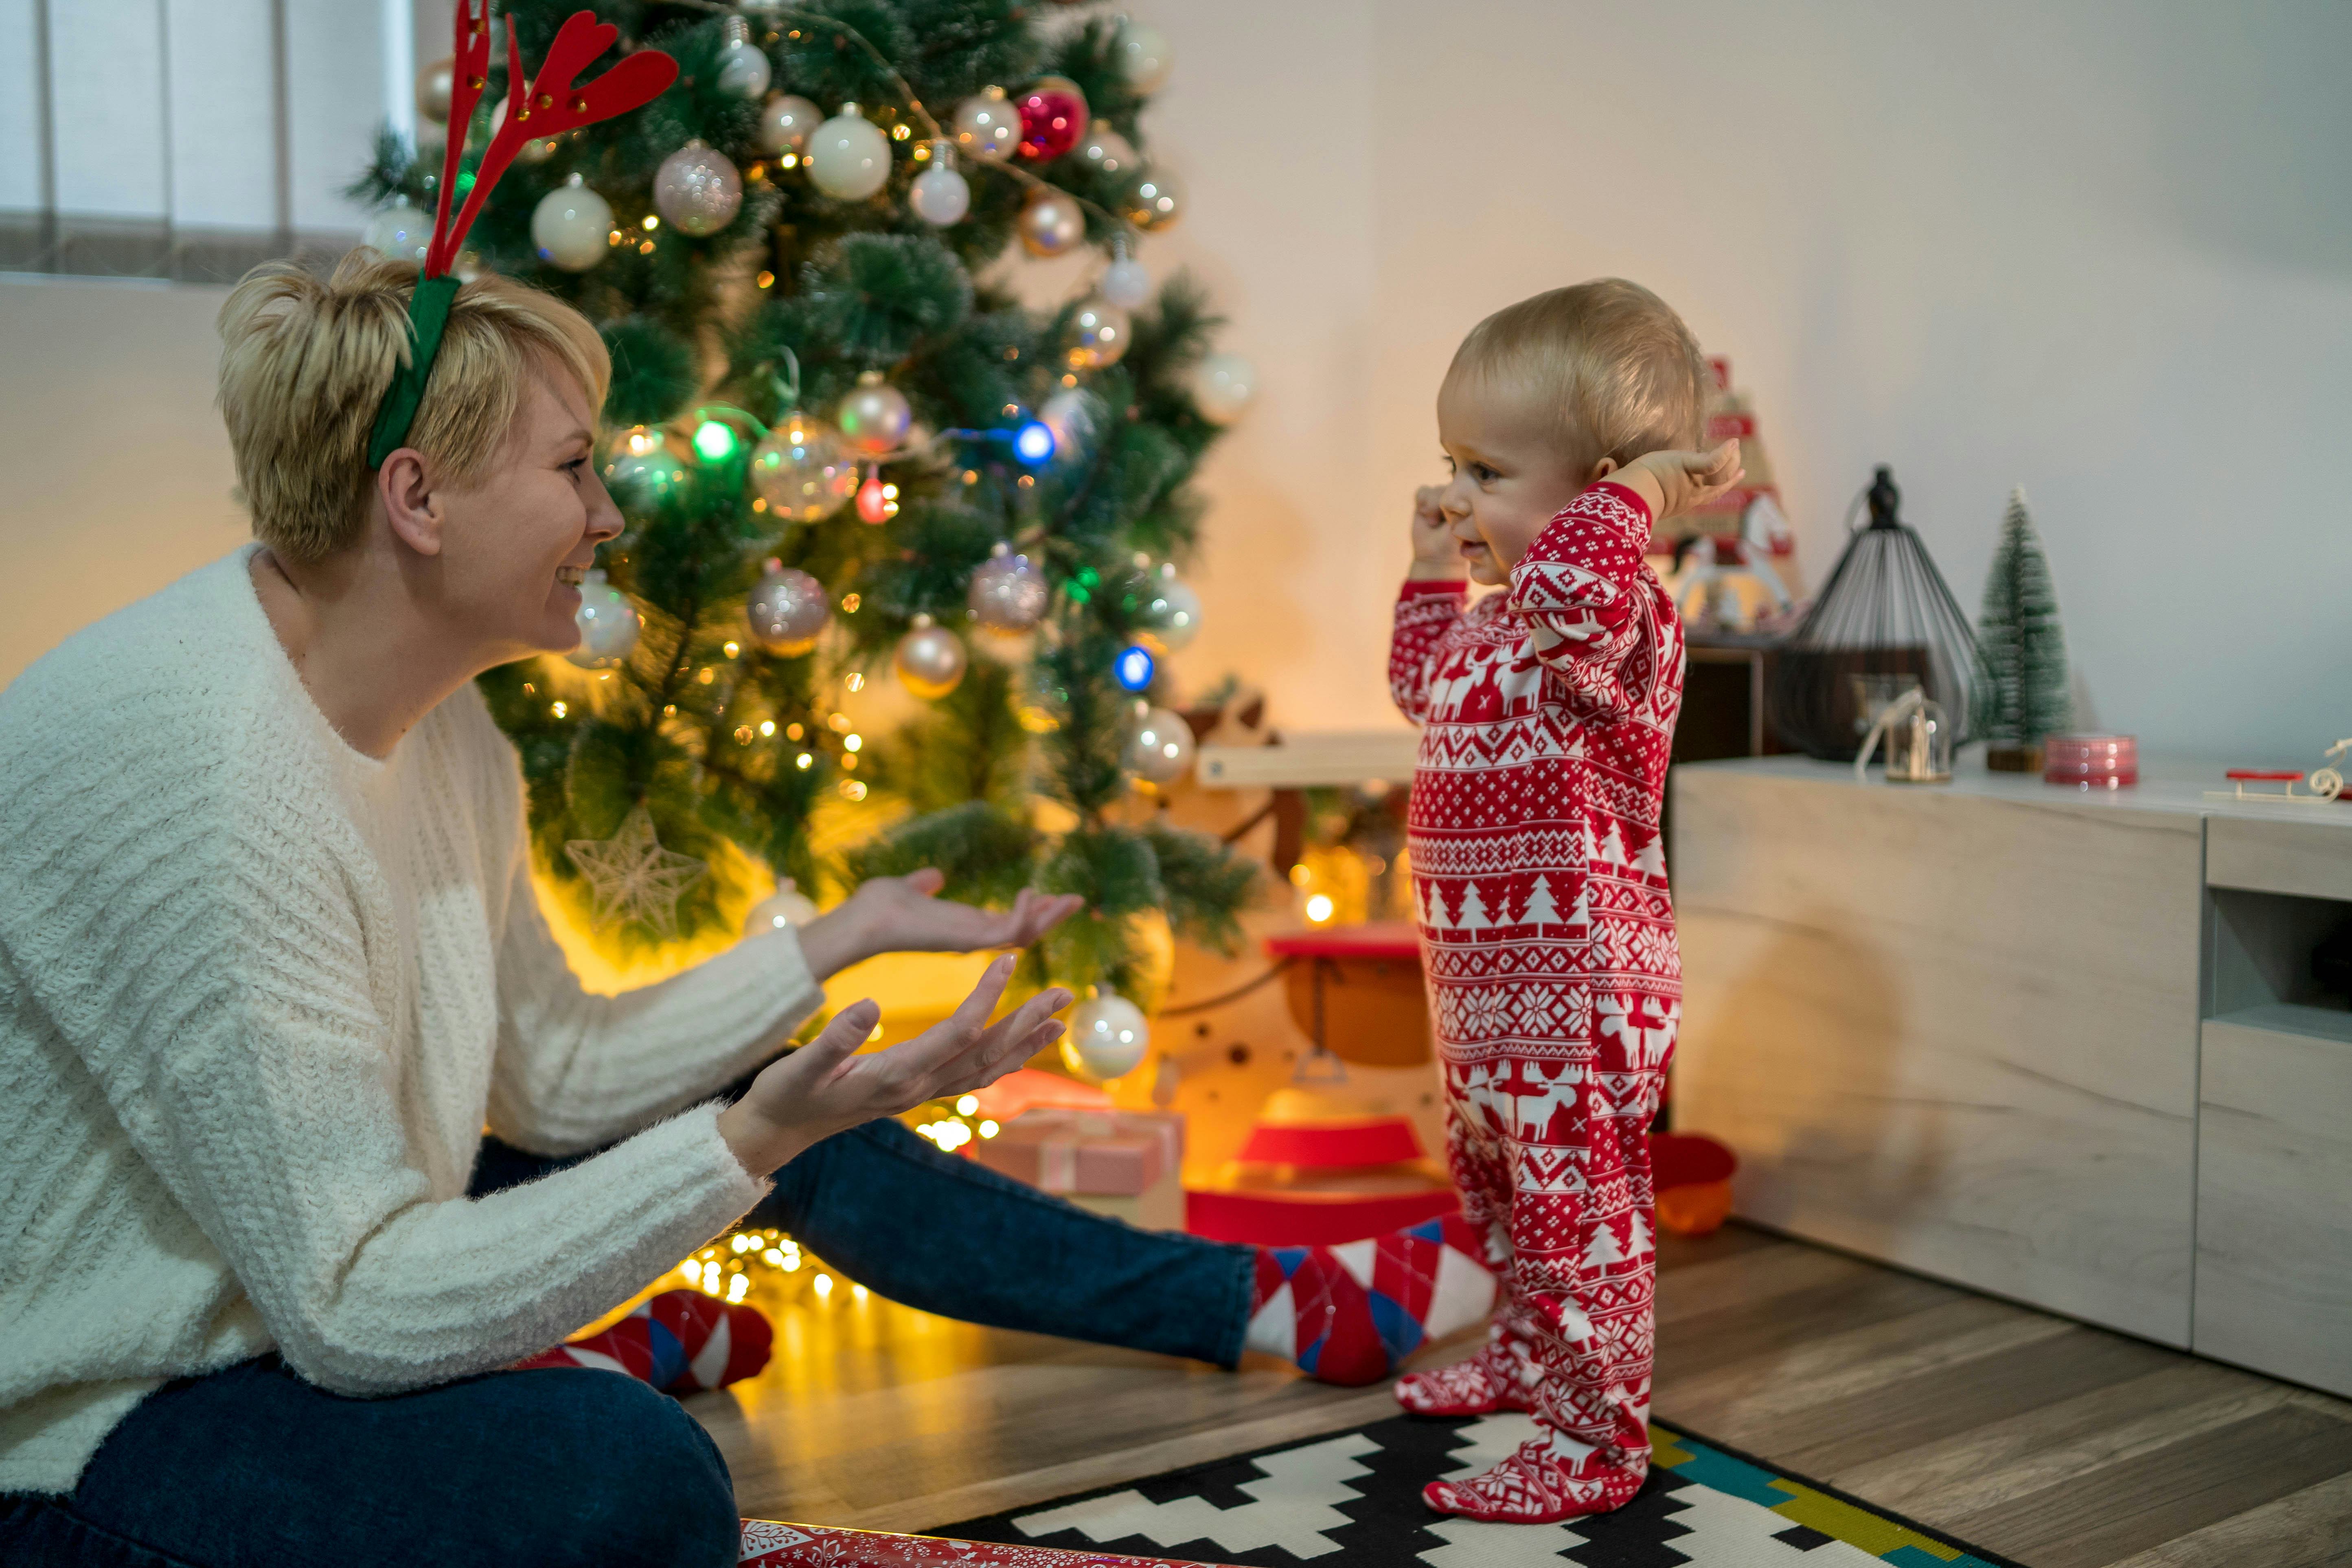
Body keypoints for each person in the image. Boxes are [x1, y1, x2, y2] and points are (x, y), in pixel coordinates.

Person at [0, 252, 1500, 1568]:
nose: (607, 512)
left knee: (774, 1096)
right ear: (418, 501)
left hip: (300, 1283)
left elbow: (547, 1072)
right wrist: (749, 1142)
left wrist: (826, 951)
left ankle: (1260, 1303)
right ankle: (572, 1362)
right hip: (101, 1410)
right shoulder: (211, 772)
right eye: (575, 468)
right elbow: (350, 1302)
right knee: (635, 1493)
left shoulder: (436, 712)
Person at [1384, 279, 1743, 1523]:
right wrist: (1432, 567)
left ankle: (1593, 1438)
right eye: (1453, 464)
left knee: (1576, 1214)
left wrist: (1644, 490)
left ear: (1595, 491)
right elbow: (1415, 685)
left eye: (1485, 470)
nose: (1458, 492)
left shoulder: (1613, 617)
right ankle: (1528, 1357)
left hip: (1581, 993)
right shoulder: (1493, 626)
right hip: (1486, 996)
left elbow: (1574, 588)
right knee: (1498, 1192)